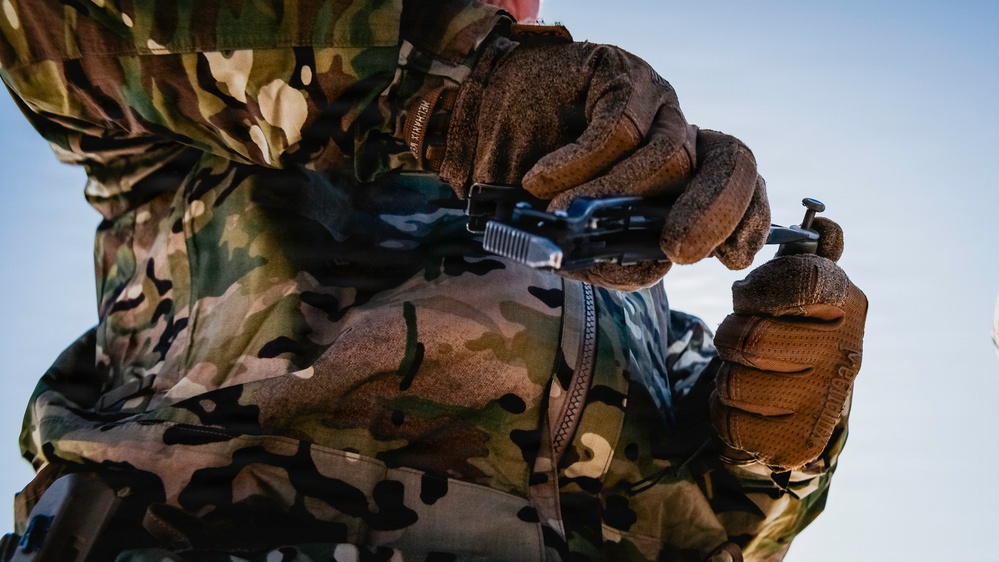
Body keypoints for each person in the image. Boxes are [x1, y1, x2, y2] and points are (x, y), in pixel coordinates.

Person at [0, 1, 867, 561]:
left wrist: (778, 446)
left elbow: (703, 538)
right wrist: (446, 83)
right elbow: (46, 25)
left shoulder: (631, 292)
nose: (509, 8)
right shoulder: (204, 112)